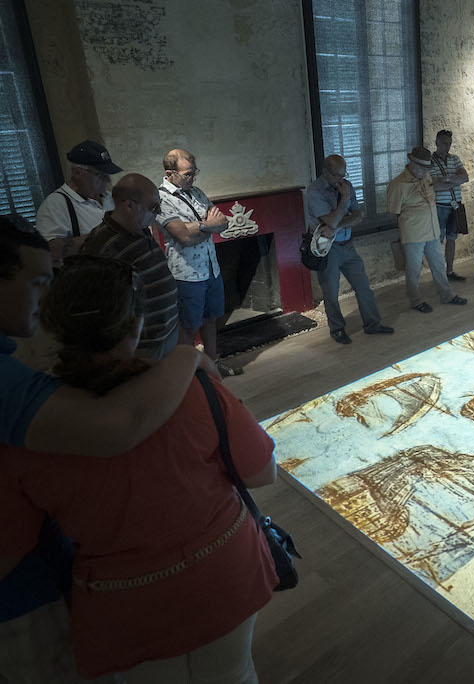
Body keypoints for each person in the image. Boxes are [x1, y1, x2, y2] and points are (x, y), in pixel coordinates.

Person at [0, 254, 278, 681]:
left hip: (121, 607)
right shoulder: (194, 391)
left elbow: (14, 542)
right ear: (136, 325)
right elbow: (262, 473)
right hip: (225, 574)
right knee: (236, 673)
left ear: (53, 326)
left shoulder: (28, 430)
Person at [155, 148, 241, 377]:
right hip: (186, 274)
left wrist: (199, 227)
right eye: (188, 174)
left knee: (211, 319)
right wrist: (206, 226)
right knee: (189, 327)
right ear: (170, 173)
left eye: (194, 172)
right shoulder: (161, 198)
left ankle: (212, 366)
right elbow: (181, 236)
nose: (193, 178)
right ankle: (188, 376)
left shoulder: (197, 192)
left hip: (211, 268)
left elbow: (223, 222)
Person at [80, 174, 179, 359]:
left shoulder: (141, 229)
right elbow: (99, 304)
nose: (158, 212)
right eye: (153, 207)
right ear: (129, 205)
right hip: (142, 346)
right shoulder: (103, 244)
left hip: (166, 333)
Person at [305, 155, 394, 345]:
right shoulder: (315, 191)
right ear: (325, 172)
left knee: (363, 286)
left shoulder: (346, 185)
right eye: (338, 175)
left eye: (344, 174)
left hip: (347, 244)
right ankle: (337, 329)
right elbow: (330, 220)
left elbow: (358, 216)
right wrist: (344, 200)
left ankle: (373, 324)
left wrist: (336, 227)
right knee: (331, 292)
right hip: (327, 248)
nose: (342, 179)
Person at [387, 146, 468, 313]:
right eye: (423, 167)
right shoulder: (398, 184)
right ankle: (416, 300)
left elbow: (433, 191)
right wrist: (402, 231)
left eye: (427, 168)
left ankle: (447, 295)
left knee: (438, 265)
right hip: (413, 234)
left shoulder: (426, 177)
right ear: (412, 164)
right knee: (414, 270)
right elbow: (393, 213)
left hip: (432, 230)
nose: (425, 171)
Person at [35, 140, 121, 261]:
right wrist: (105, 235)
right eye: (99, 174)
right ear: (77, 173)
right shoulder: (55, 205)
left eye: (107, 174)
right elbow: (49, 251)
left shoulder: (110, 198)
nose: (107, 180)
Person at [429, 130, 470, 281]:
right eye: (444, 143)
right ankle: (438, 273)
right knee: (437, 241)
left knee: (452, 239)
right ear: (437, 143)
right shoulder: (430, 161)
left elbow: (465, 177)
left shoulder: (454, 159)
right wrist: (453, 180)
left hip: (455, 205)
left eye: (449, 143)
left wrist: (445, 179)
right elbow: (434, 185)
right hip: (440, 205)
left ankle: (450, 270)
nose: (447, 147)